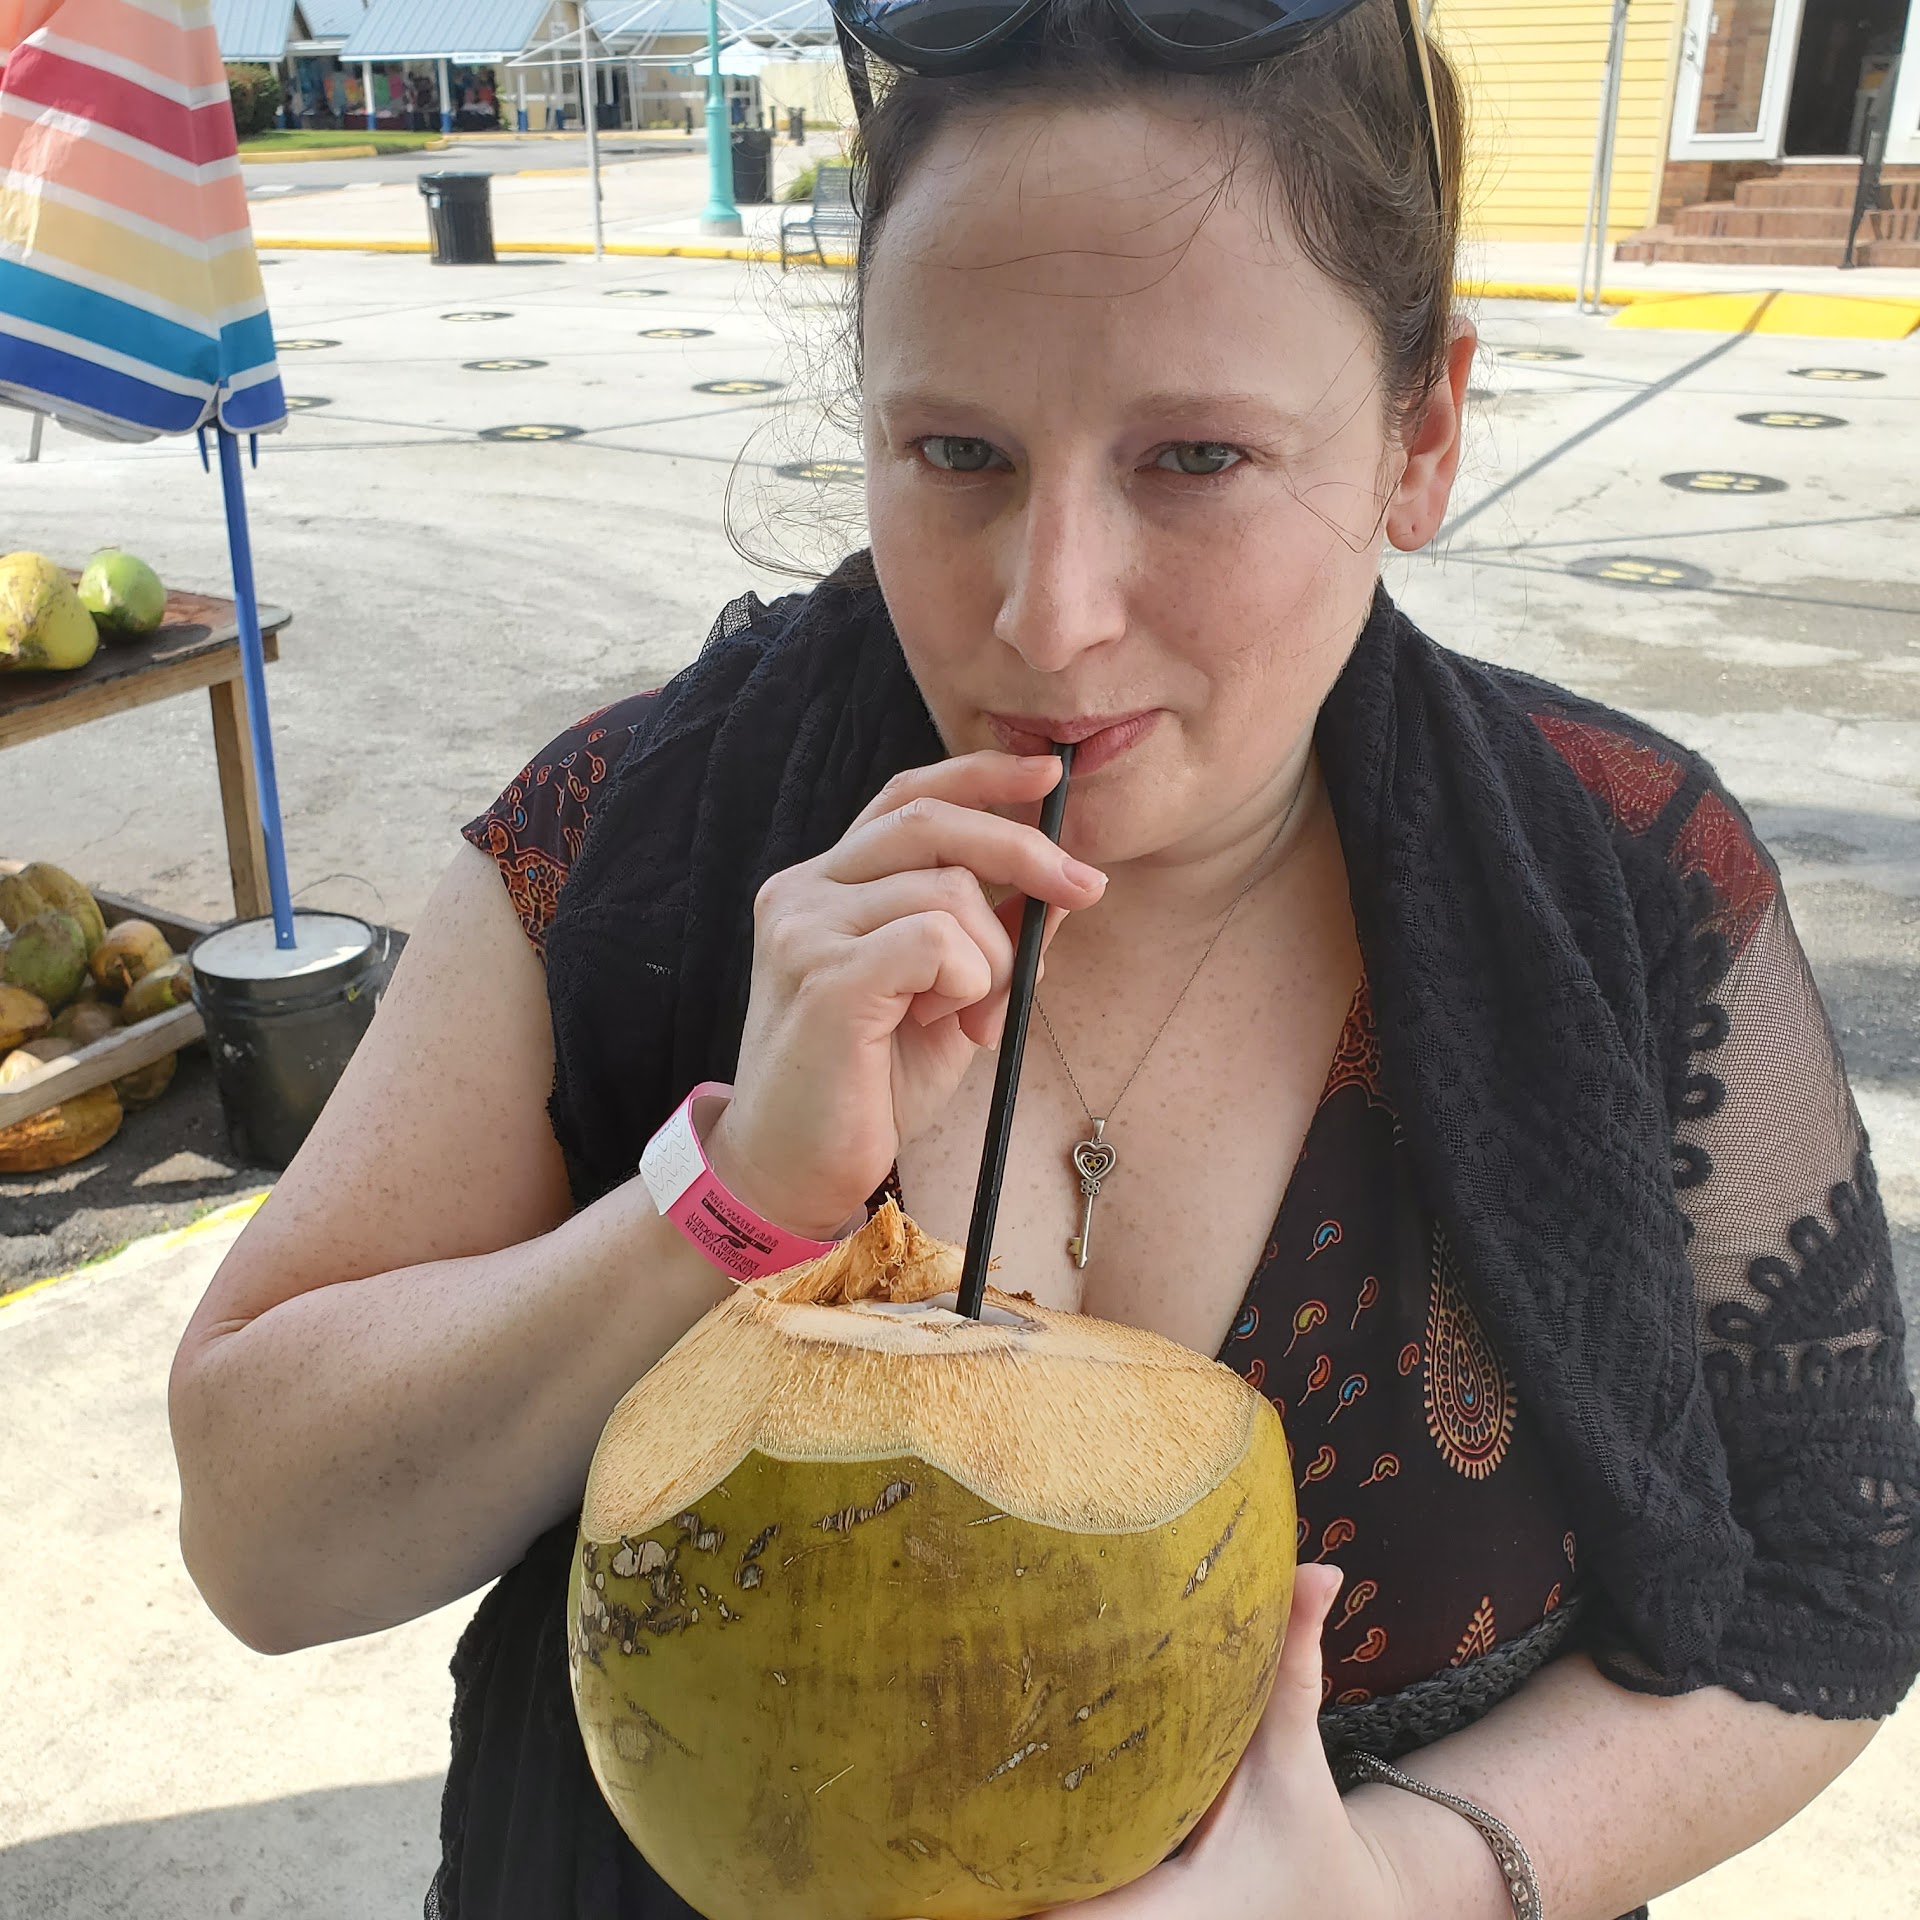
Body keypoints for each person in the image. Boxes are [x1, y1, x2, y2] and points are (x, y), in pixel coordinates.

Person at [169, 3, 1920, 1917]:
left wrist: (1393, 1886)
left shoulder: (1629, 881)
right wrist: (726, 1197)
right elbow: (262, 1546)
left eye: (1195, 457)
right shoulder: (629, 847)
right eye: (958, 451)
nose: (1048, 614)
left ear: (1419, 440)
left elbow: (1832, 1581)